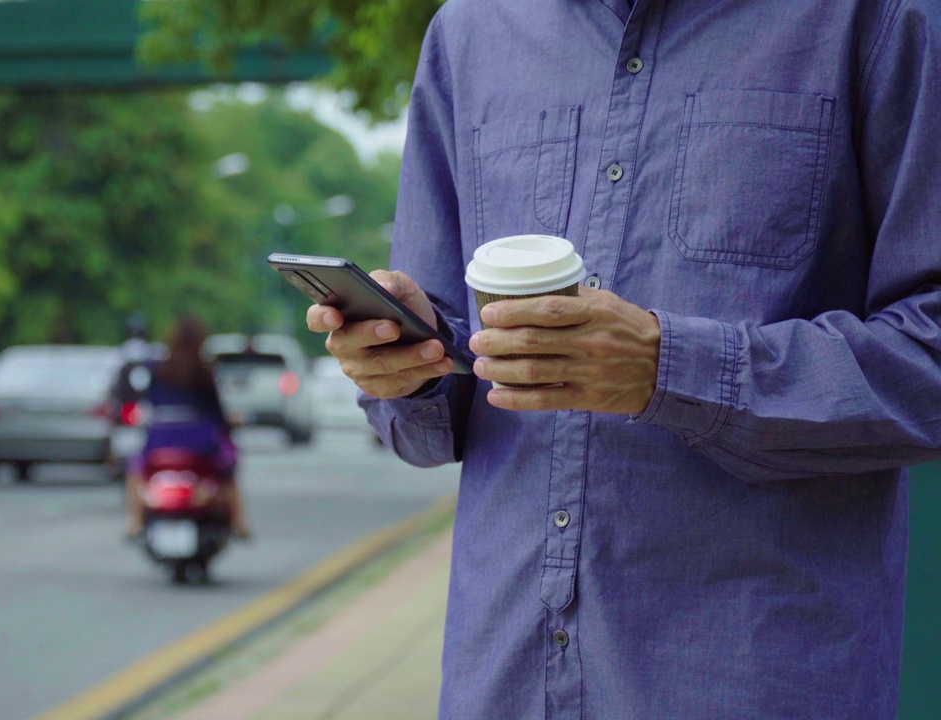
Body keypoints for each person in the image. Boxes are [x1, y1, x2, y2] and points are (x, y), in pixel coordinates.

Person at [307, 1, 941, 717]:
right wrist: (407, 366)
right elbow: (428, 423)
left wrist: (672, 368)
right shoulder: (469, 33)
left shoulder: (878, 17)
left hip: (752, 680)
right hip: (504, 680)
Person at [123, 313, 250, 541]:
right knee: (227, 470)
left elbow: (148, 401)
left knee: (136, 469)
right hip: (199, 440)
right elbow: (216, 411)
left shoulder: (156, 368)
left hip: (160, 439)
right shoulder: (205, 370)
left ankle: (134, 521)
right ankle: (239, 521)